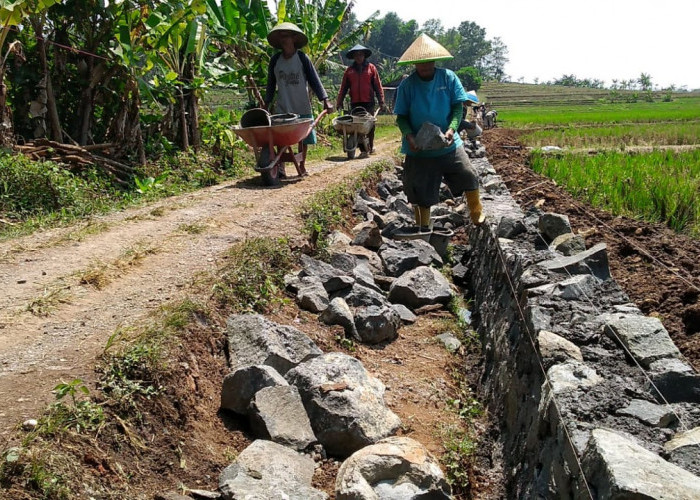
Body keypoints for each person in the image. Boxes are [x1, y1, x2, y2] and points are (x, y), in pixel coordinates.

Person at [393, 34, 485, 227]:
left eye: (429, 62)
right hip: (419, 148)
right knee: (419, 191)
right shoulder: (407, 86)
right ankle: (423, 228)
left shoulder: (448, 78)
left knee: (467, 173)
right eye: (421, 64)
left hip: (448, 144)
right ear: (415, 64)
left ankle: (476, 212)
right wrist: (410, 137)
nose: (425, 67)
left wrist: (451, 130)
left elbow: (457, 108)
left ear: (435, 61)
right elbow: (401, 117)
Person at [264, 22, 333, 171]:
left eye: (286, 36)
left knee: (304, 136)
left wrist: (325, 100)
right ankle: (280, 166)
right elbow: (270, 83)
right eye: (281, 37)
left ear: (294, 38)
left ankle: (302, 164)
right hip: (283, 105)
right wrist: (267, 102)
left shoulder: (302, 58)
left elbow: (314, 80)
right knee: (281, 136)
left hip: (301, 103)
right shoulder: (275, 60)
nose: (284, 40)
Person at [336, 44, 386, 157]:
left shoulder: (371, 68)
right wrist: (339, 102)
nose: (358, 57)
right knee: (356, 126)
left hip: (368, 102)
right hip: (355, 102)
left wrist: (381, 101)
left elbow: (377, 86)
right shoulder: (349, 71)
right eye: (356, 55)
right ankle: (363, 149)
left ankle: (370, 146)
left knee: (370, 125)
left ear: (364, 56)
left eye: (360, 54)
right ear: (353, 57)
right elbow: (343, 88)